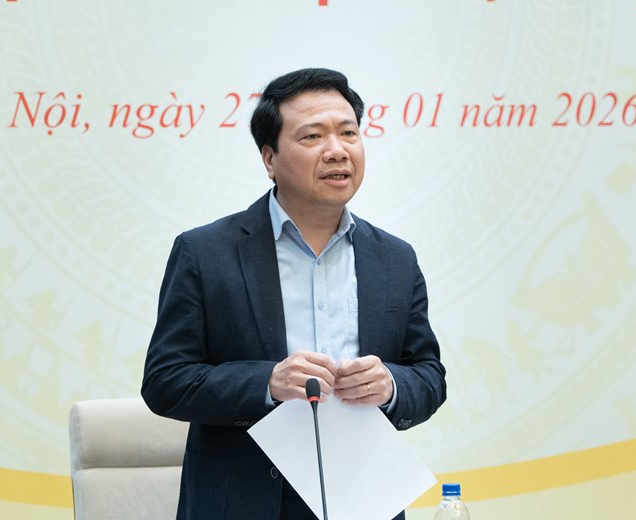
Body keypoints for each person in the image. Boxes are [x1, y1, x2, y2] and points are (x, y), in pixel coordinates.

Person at [142, 68, 446, 520]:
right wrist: (267, 382)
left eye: (349, 133)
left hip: (366, 499)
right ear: (270, 159)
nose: (337, 150)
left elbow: (429, 375)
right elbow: (165, 381)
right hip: (245, 503)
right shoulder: (206, 253)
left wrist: (390, 386)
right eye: (313, 136)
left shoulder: (394, 258)